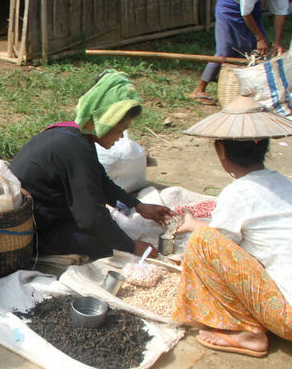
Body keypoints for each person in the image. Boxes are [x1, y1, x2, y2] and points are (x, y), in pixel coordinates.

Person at [172, 135, 292, 357]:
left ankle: (248, 333)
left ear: (221, 151)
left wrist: (195, 227)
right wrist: (195, 223)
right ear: (265, 147)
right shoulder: (282, 183)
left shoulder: (237, 192)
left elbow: (218, 241)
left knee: (202, 241)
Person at [10, 70, 174, 261]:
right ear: (105, 122)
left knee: (109, 231)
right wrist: (130, 246)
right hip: (34, 229)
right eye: (120, 130)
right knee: (102, 246)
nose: (121, 137)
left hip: (47, 214)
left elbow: (99, 181)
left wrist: (137, 206)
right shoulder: (74, 147)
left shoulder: (74, 134)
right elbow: (91, 218)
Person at [190, 0, 292, 105]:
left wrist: (277, 42)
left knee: (258, 50)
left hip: (252, 5)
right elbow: (245, 12)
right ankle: (200, 89)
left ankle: (249, 90)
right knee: (224, 50)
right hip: (230, 5)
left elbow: (281, 11)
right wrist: (259, 37)